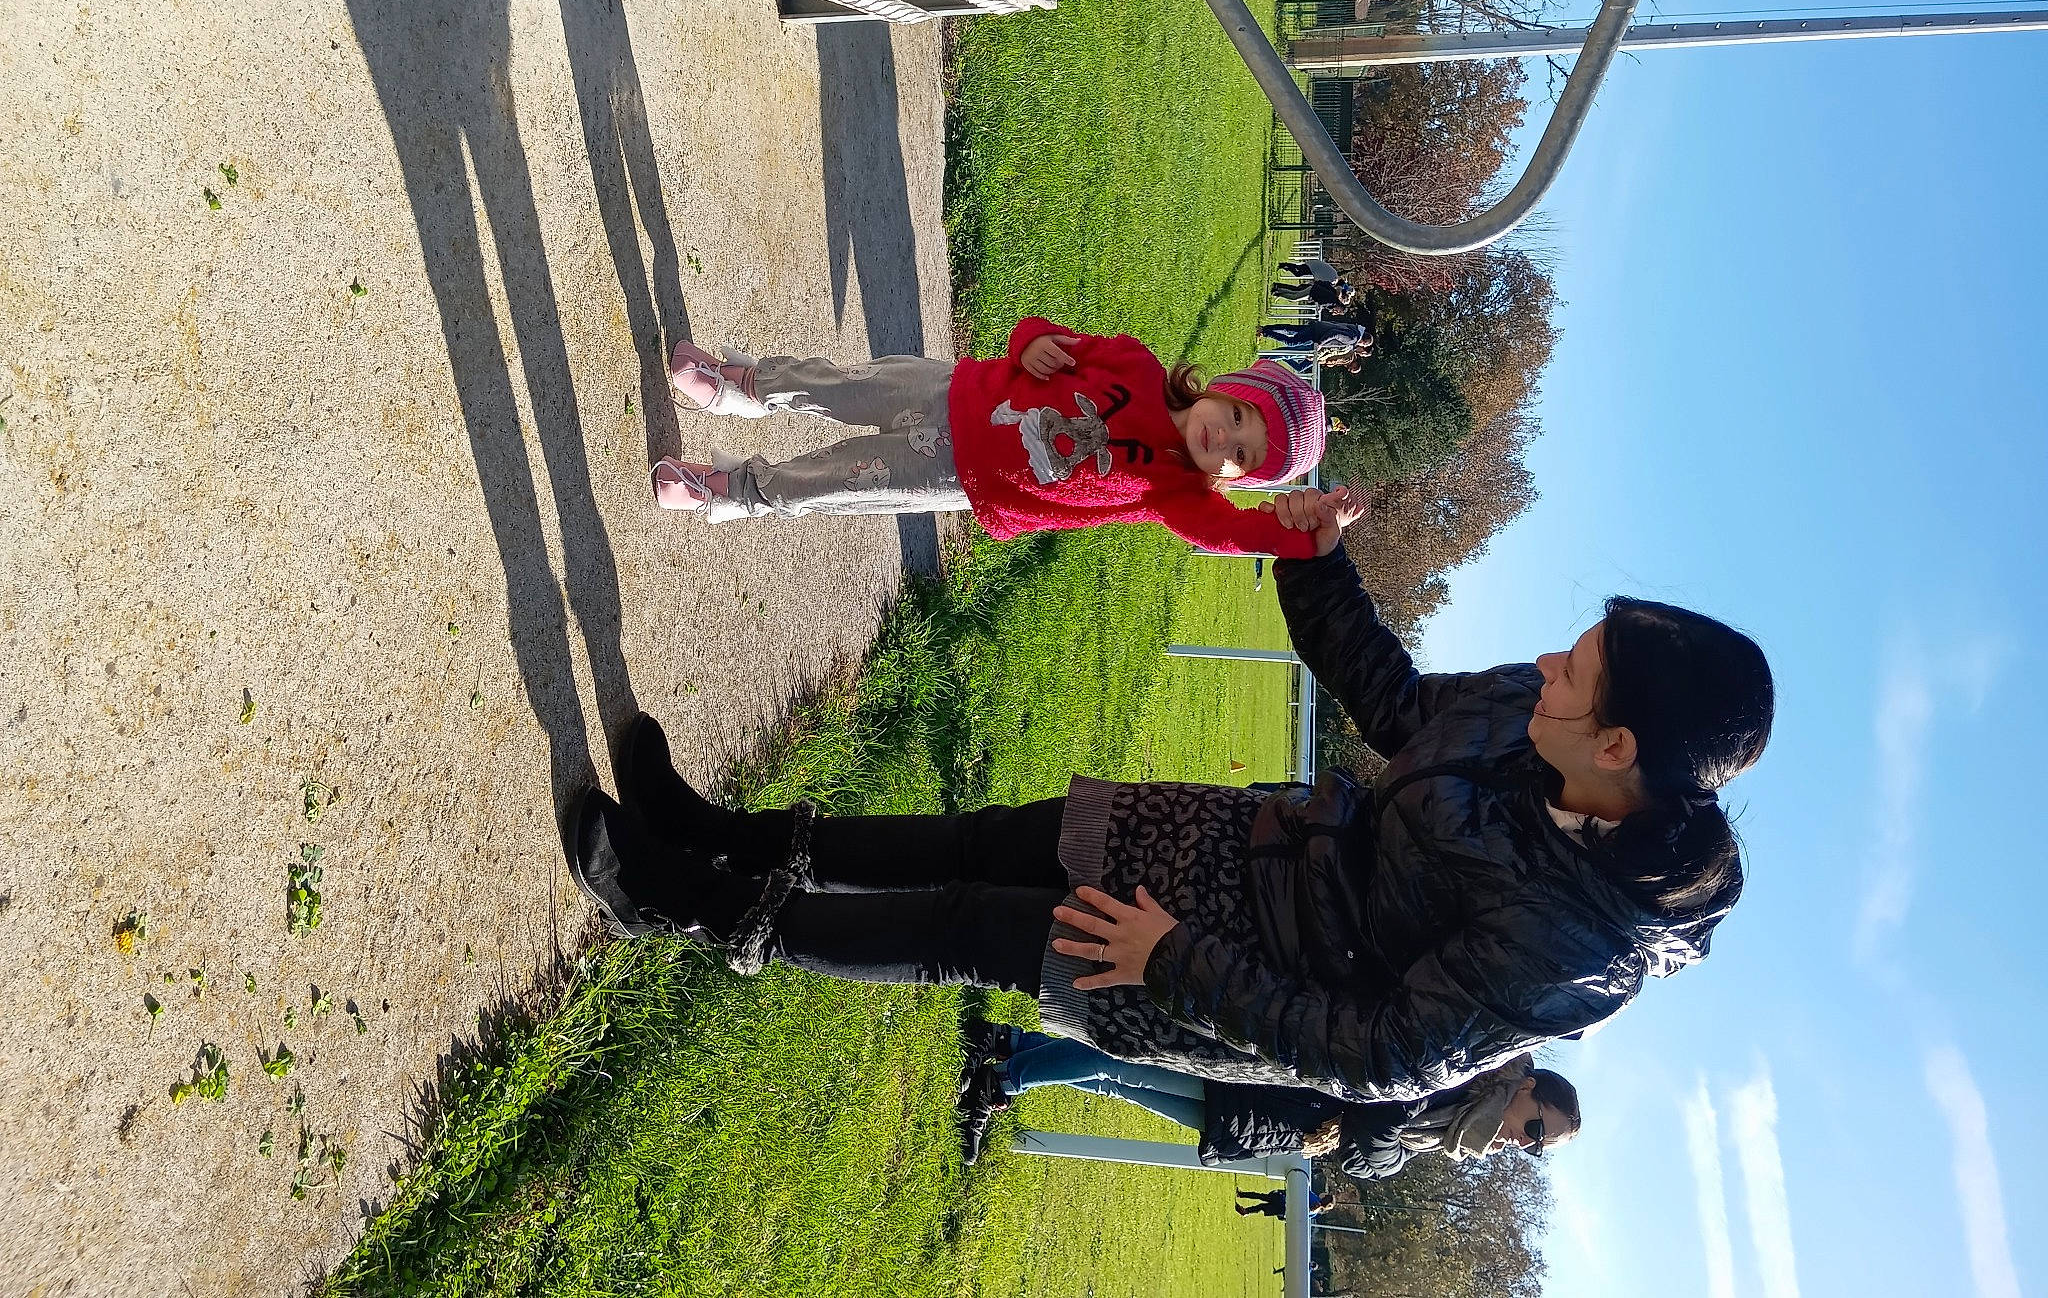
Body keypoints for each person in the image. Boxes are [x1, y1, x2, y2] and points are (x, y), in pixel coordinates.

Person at [570, 485, 1773, 1108]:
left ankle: (689, 909)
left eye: (1576, 674)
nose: (1547, 667)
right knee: (971, 838)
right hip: (1221, 837)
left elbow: (1371, 1058)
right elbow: (1401, 709)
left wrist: (1171, 962)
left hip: (1206, 967)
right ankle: (715, 836)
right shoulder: (1536, 711)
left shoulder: (1572, 952)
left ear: (1616, 747)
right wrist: (1316, 567)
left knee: (961, 928)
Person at [647, 325, 1326, 557]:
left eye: (1242, 456)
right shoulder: (1135, 364)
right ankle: (742, 384)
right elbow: (1044, 335)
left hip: (959, 478)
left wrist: (1308, 540)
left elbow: (1234, 537)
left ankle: (731, 489)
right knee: (838, 385)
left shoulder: (1175, 493)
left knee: (830, 483)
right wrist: (1030, 344)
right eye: (1238, 417)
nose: (1226, 439)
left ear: (1236, 479)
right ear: (1226, 388)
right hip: (951, 391)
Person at [955, 1022, 1579, 1174]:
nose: (1518, 1143)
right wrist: (1383, 1122)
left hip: (1272, 1125)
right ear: (1525, 1087)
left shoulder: (1449, 1131)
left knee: (1124, 1081)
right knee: (1128, 1059)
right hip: (1268, 1080)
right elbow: (1383, 1096)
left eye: (1534, 1149)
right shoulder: (1468, 1066)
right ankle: (1001, 1081)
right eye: (1533, 1128)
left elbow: (1370, 1158)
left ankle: (1010, 1043)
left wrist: (1381, 1128)